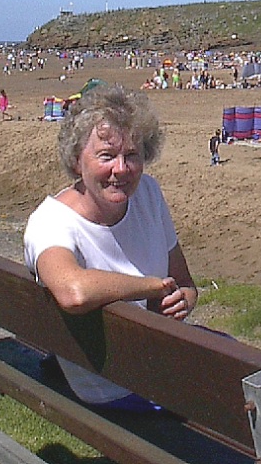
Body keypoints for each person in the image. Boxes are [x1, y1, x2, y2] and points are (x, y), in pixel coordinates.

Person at [23, 85, 197, 409]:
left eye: (132, 155)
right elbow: (73, 292)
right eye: (107, 156)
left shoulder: (147, 193)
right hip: (110, 386)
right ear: (77, 161)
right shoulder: (51, 223)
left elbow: (184, 283)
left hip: (152, 361)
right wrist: (150, 288)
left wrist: (182, 301)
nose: (121, 169)